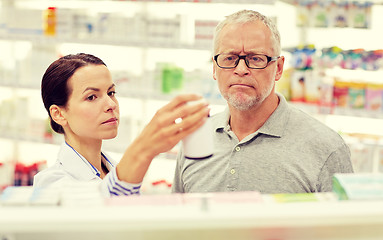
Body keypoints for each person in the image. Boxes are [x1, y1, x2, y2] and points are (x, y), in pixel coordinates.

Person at [172, 10, 354, 194]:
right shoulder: (196, 138)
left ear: (279, 68)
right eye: (229, 58)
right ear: (214, 68)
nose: (241, 69)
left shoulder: (326, 147)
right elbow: (178, 218)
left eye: (255, 59)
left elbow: (347, 222)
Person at [33, 53, 209, 197]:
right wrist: (143, 150)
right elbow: (99, 213)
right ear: (58, 114)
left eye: (111, 92)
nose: (111, 104)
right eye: (91, 97)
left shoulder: (113, 168)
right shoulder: (51, 184)